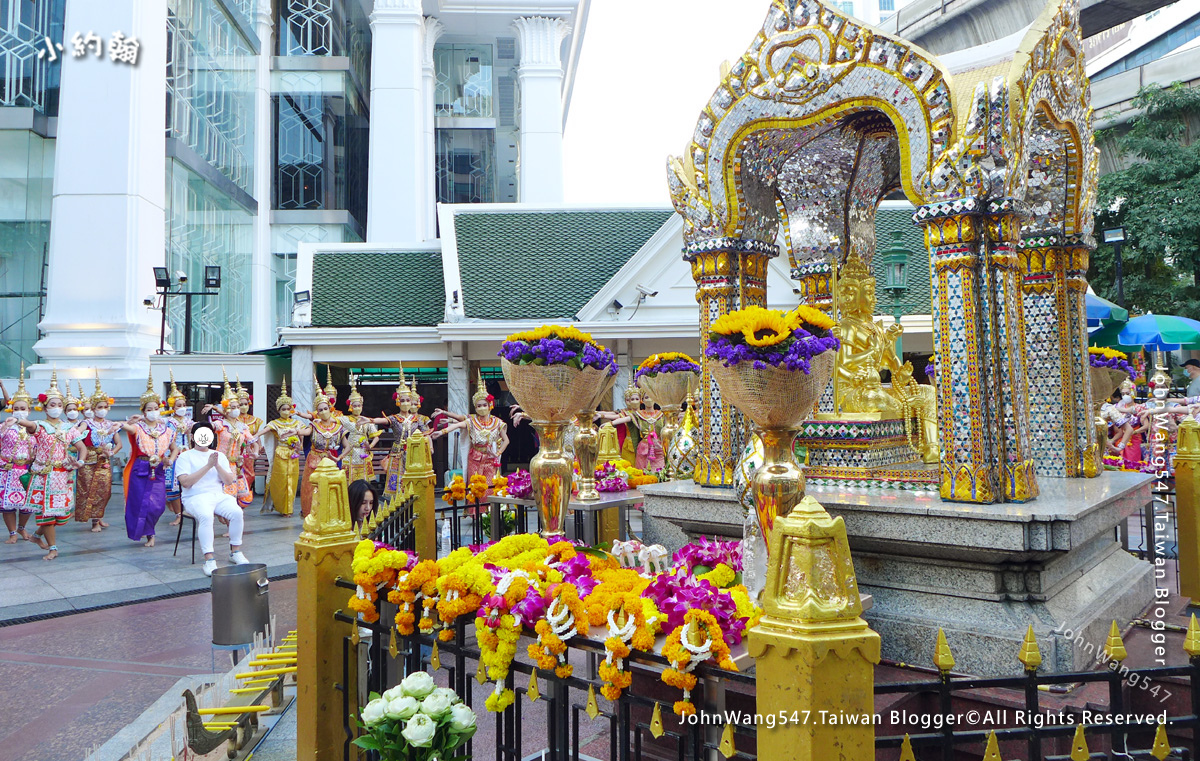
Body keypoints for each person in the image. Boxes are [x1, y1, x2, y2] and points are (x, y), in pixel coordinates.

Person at [17, 370, 88, 561]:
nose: (55, 407)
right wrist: (18, 419)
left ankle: (37, 536)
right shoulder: (40, 425)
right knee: (47, 513)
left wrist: (80, 462)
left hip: (62, 476)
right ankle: (53, 548)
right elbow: (29, 425)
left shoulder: (68, 428)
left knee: (60, 515)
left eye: (58, 405)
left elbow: (82, 447)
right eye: (52, 405)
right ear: (45, 407)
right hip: (43, 475)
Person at [174, 421, 250, 577]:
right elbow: (186, 482)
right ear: (193, 437)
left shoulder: (219, 456)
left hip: (217, 495)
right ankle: (209, 559)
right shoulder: (185, 456)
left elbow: (229, 481)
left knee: (236, 512)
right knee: (206, 516)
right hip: (194, 497)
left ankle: (235, 551)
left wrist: (216, 465)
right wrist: (208, 466)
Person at [119, 371, 178, 548]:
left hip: (158, 468)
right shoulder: (138, 427)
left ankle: (150, 528)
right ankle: (148, 534)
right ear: (144, 411)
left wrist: (170, 459)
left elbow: (174, 448)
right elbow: (129, 428)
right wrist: (122, 423)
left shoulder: (167, 430)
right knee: (139, 503)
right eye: (149, 409)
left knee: (157, 505)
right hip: (141, 467)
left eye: (155, 408)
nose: (153, 412)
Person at [432, 370, 508, 500]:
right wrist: (443, 430)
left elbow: (506, 440)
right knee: (475, 487)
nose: (482, 408)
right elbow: (458, 423)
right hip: (475, 457)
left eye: (484, 405)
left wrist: (498, 453)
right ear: (475, 407)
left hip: (490, 459)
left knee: (489, 488)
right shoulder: (472, 421)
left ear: (490, 405)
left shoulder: (497, 422)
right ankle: (475, 514)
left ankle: (489, 513)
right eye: (479, 406)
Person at [370, 366, 429, 504]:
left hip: (413, 452)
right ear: (398, 402)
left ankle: (413, 500)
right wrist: (371, 420)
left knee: (413, 478)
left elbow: (426, 433)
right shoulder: (395, 418)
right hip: (397, 452)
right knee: (396, 480)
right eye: (402, 401)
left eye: (408, 401)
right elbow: (384, 420)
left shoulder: (417, 419)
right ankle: (397, 504)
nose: (406, 403)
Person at [252, 376, 310, 516]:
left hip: (293, 454)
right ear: (279, 410)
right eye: (283, 409)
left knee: (292, 480)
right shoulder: (275, 423)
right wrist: (255, 436)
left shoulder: (297, 424)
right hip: (280, 453)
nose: (286, 411)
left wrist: (300, 446)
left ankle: (289, 509)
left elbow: (303, 435)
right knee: (281, 480)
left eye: (288, 408)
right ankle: (280, 506)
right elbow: (265, 430)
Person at [75, 371, 121, 532]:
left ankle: (99, 516)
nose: (102, 410)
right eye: (99, 407)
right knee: (89, 490)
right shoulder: (86, 423)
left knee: (104, 490)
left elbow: (119, 444)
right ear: (93, 409)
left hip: (104, 461)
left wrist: (111, 452)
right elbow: (76, 436)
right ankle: (94, 521)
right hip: (89, 460)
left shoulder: (110, 424)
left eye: (104, 407)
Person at [1, 363, 37, 543]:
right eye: (17, 408)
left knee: (27, 505)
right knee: (8, 505)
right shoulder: (4, 426)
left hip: (27, 470)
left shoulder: (35, 429)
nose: (20, 411)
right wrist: (4, 428)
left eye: (23, 409)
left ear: (29, 410)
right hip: (7, 470)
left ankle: (22, 529)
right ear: (11, 409)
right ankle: (12, 533)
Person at [302, 392, 349, 517]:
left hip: (331, 462)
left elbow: (348, 446)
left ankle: (331, 514)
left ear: (330, 408)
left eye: (325, 408)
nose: (323, 412)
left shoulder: (338, 427)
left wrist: (339, 457)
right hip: (315, 462)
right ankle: (313, 515)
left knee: (330, 489)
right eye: (320, 410)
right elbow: (306, 432)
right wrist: (295, 431)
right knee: (313, 490)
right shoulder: (314, 425)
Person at [163, 372, 192, 526]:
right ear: (172, 407)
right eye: (178, 405)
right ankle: (178, 514)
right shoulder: (168, 421)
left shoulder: (188, 421)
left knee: (187, 485)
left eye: (183, 405)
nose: (182, 408)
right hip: (172, 455)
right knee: (173, 488)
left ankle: (186, 511)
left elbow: (190, 436)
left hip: (186, 454)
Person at [342, 376, 381, 485]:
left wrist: (371, 446)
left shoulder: (366, 420)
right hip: (350, 451)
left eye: (359, 405)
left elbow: (376, 436)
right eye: (355, 406)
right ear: (350, 406)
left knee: (363, 480)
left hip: (363, 451)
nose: (357, 408)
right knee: (349, 480)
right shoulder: (346, 419)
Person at [235, 378, 264, 494]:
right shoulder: (233, 419)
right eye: (240, 404)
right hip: (236, 449)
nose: (243, 406)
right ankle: (237, 493)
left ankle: (245, 492)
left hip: (249, 449)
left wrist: (260, 446)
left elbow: (256, 435)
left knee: (250, 474)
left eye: (245, 404)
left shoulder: (255, 420)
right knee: (236, 472)